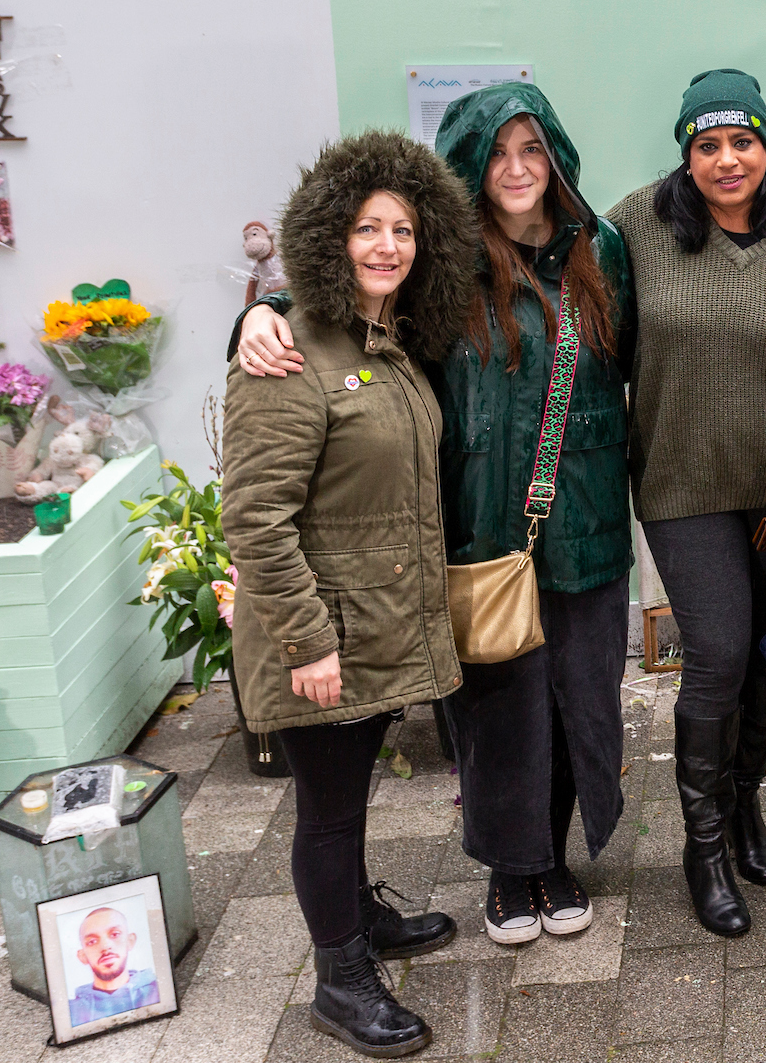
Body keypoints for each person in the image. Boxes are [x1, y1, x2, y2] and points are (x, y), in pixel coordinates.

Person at [236, 85, 637, 946]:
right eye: (496, 152)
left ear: (557, 154)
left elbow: (630, 359)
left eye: (532, 148)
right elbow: (347, 313)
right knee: (503, 711)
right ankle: (509, 867)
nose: (517, 169)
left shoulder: (601, 248)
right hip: (480, 525)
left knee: (580, 704)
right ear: (466, 166)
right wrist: (262, 312)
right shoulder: (440, 265)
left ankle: (555, 858)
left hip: (588, 519)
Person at [226, 129, 476, 1056]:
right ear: (329, 235)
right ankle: (340, 976)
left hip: (370, 619)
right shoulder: (288, 355)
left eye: (403, 231)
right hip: (321, 633)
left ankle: (358, 920)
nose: (385, 247)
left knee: (349, 794)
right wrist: (307, 643)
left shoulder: (387, 342)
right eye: (367, 229)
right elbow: (255, 520)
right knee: (327, 809)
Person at [611, 69, 766, 939]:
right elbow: (555, 281)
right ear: (687, 155)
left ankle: (744, 811)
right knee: (716, 652)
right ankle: (701, 849)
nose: (726, 159)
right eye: (707, 145)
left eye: (742, 141)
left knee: (760, 655)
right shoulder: (637, 223)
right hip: (680, 484)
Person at [66, 905, 159, 1027]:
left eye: (115, 934)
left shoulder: (160, 991)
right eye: (92, 941)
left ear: (130, 941)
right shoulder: (69, 1014)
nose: (105, 946)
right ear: (82, 956)